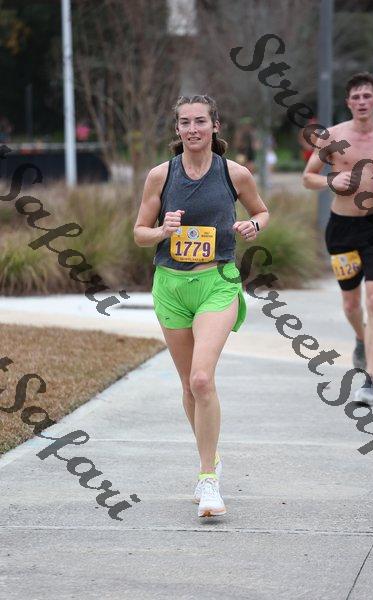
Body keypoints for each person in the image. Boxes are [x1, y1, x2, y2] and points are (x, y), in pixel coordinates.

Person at [133, 95, 269, 517]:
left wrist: (253, 225)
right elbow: (139, 233)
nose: (193, 129)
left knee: (202, 379)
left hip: (217, 283)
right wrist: (162, 231)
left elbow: (262, 212)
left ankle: (208, 478)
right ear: (177, 129)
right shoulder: (160, 175)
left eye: (200, 121)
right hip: (170, 286)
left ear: (215, 125)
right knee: (188, 385)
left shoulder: (234, 173)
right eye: (185, 122)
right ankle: (210, 455)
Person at [303, 72, 373, 406]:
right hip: (342, 228)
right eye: (355, 97)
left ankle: (370, 379)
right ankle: (361, 337)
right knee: (351, 304)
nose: (361, 102)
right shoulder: (332, 137)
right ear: (348, 102)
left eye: (366, 96)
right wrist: (331, 180)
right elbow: (308, 178)